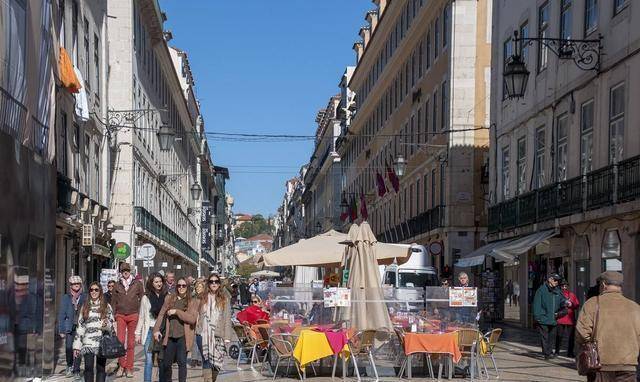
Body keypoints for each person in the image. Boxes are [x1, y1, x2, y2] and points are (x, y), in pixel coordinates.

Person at [576, 271, 640, 382]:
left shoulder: (592, 303)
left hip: (601, 364)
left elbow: (582, 333)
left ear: (604, 284)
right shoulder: (635, 307)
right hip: (628, 365)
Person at [153, 278, 199, 382]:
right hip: (169, 336)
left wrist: (177, 312)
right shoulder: (170, 298)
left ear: (187, 287)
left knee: (182, 363)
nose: (181, 288)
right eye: (179, 285)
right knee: (167, 364)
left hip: (183, 337)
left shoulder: (192, 301)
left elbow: (192, 319)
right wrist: (156, 330)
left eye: (184, 286)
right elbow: (161, 315)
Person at [73, 281, 115, 382]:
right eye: (91, 290)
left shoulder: (106, 306)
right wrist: (76, 347)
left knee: (101, 369)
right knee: (88, 368)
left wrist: (107, 324)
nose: (94, 292)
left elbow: (112, 324)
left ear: (100, 291)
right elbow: (80, 327)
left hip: (101, 342)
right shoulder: (85, 306)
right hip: (88, 343)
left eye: (96, 290)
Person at [112, 262, 144, 378]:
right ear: (121, 272)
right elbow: (113, 301)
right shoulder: (117, 284)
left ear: (130, 271)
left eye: (127, 270)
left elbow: (143, 299)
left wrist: (140, 314)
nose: (125, 272)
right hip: (120, 315)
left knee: (131, 343)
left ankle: (129, 368)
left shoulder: (137, 284)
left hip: (133, 315)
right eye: (123, 270)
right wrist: (114, 316)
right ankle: (121, 366)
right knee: (120, 341)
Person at [199, 273, 233, 382]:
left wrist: (227, 337)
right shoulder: (202, 298)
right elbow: (196, 314)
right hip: (203, 334)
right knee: (207, 361)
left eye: (216, 282)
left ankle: (212, 379)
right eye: (211, 282)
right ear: (208, 284)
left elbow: (227, 318)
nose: (214, 284)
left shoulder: (225, 299)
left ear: (219, 284)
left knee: (216, 363)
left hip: (218, 334)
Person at [135, 273, 167, 382]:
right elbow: (142, 317)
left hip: (162, 331)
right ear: (151, 283)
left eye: (160, 281)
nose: (159, 284)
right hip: (149, 331)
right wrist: (137, 333)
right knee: (148, 360)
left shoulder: (166, 296)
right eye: (156, 282)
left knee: (161, 360)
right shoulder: (146, 297)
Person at [58, 276, 86, 378]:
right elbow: (61, 314)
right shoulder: (66, 297)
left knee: (78, 348)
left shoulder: (85, 297)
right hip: (69, 326)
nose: (76, 285)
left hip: (81, 327)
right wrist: (61, 329)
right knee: (69, 347)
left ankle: (76, 369)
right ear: (71, 285)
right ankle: (69, 365)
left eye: (78, 283)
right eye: (74, 284)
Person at [532, 273, 565, 359]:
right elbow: (537, 304)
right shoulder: (541, 290)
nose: (556, 282)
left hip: (553, 318)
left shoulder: (557, 291)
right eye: (555, 280)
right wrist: (537, 317)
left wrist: (565, 303)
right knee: (545, 337)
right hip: (543, 318)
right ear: (550, 279)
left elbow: (562, 300)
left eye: (557, 281)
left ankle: (549, 351)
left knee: (552, 337)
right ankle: (547, 353)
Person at [555, 280, 579, 358]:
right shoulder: (557, 294)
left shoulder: (572, 295)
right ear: (560, 286)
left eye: (565, 286)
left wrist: (572, 304)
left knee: (571, 337)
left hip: (570, 319)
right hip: (561, 318)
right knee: (559, 336)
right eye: (562, 286)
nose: (564, 287)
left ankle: (570, 352)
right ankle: (557, 351)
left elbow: (577, 305)